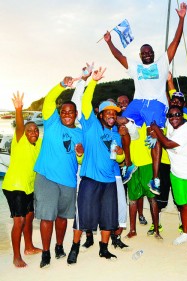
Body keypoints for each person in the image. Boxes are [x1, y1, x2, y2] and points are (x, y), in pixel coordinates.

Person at [104, 2, 187, 195]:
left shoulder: (162, 64)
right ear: (141, 56)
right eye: (144, 53)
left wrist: (181, 19)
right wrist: (109, 41)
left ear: (153, 54)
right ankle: (128, 164)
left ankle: (156, 179)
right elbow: (119, 56)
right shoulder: (136, 67)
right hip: (138, 103)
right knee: (118, 122)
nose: (147, 54)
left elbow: (175, 41)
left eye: (150, 52)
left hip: (156, 104)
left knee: (154, 134)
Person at [67, 68, 125, 264]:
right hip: (90, 179)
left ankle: (104, 249)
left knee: (109, 217)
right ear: (100, 114)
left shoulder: (116, 134)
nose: (111, 115)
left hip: (109, 181)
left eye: (114, 113)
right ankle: (74, 247)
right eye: (108, 112)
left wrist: (120, 154)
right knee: (82, 216)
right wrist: (93, 81)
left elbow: (118, 159)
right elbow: (85, 102)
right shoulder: (91, 124)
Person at [34, 77, 83, 268]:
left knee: (63, 217)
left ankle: (59, 246)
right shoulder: (52, 123)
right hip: (46, 177)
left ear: (75, 113)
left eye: (71, 112)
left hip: (68, 181)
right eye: (64, 112)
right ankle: (45, 252)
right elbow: (48, 101)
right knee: (47, 216)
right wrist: (61, 86)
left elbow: (80, 159)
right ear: (59, 113)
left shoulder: (80, 133)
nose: (67, 114)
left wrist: (80, 154)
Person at [150, 105, 187, 255]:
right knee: (182, 205)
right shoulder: (170, 124)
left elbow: (168, 144)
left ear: (183, 116)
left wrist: (156, 129)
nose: (174, 117)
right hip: (176, 173)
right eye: (171, 115)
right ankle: (186, 233)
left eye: (177, 115)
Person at [2, 92, 42, 267]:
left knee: (30, 216)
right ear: (23, 133)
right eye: (29, 130)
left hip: (29, 186)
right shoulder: (20, 140)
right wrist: (18, 109)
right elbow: (19, 125)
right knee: (19, 220)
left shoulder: (38, 143)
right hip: (14, 185)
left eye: (35, 130)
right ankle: (16, 256)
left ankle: (29, 246)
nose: (33, 132)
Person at [117, 95, 148, 225]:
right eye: (120, 103)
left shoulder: (138, 117)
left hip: (136, 160)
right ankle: (121, 220)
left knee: (138, 192)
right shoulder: (114, 121)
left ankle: (140, 215)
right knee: (122, 194)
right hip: (120, 162)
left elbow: (135, 135)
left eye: (126, 101)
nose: (123, 104)